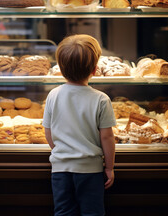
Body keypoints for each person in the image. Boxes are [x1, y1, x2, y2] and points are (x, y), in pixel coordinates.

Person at [42, 34, 116, 216]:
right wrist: (109, 167)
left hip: (60, 170)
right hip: (90, 170)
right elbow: (107, 137)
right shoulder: (101, 99)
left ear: (60, 68)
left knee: (63, 212)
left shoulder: (53, 95)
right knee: (93, 212)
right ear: (94, 69)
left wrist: (60, 150)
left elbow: (48, 130)